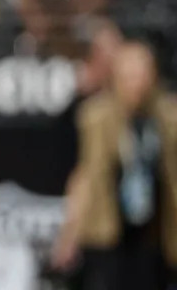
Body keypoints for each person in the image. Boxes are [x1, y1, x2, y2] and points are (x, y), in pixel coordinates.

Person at [52, 40, 177, 290]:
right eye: (129, 76)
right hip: (108, 233)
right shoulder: (96, 116)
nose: (137, 84)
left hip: (155, 234)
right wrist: (69, 235)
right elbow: (86, 175)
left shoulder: (168, 117)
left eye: (142, 75)